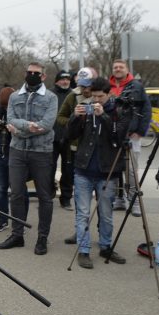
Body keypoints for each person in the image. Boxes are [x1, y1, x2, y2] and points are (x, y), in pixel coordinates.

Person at [67, 77, 130, 269]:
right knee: (83, 213)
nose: (96, 100)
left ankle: (106, 246)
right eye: (93, 96)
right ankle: (84, 250)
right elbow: (70, 135)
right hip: (83, 169)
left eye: (100, 96)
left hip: (107, 172)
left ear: (109, 94)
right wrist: (75, 117)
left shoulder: (119, 111)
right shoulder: (86, 108)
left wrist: (103, 116)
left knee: (106, 213)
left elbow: (119, 138)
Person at [0, 62, 58, 255]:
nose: (32, 75)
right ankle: (17, 234)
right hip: (17, 152)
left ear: (43, 76)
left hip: (42, 152)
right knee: (15, 193)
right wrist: (27, 127)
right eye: (29, 72)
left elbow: (46, 125)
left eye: (36, 73)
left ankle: (42, 238)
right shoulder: (15, 96)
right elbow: (11, 119)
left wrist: (20, 131)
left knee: (44, 196)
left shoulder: (51, 97)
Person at [57, 67, 98, 245]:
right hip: (76, 150)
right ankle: (79, 231)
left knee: (102, 199)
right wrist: (74, 118)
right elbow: (60, 118)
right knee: (81, 196)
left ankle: (103, 235)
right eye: (82, 85)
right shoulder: (72, 96)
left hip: (97, 151)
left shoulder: (101, 95)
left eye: (88, 86)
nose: (85, 89)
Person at [108, 59, 152, 214]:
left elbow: (146, 110)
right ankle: (118, 199)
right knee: (114, 169)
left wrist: (140, 131)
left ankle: (134, 202)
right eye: (115, 67)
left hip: (131, 135)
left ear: (126, 69)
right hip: (112, 135)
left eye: (121, 67)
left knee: (131, 170)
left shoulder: (137, 86)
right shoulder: (108, 87)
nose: (118, 69)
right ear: (112, 70)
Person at [0, 86, 23, 232]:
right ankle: (3, 219)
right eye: (4, 105)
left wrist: (12, 127)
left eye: (8, 105)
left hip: (16, 156)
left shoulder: (20, 109)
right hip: (0, 154)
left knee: (18, 191)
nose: (6, 107)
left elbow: (25, 130)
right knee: (0, 189)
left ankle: (19, 221)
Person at [51, 70, 74, 209]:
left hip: (68, 139)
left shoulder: (74, 95)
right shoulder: (50, 94)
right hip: (51, 138)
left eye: (67, 79)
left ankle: (66, 198)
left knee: (68, 170)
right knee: (48, 169)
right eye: (62, 79)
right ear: (56, 81)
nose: (65, 82)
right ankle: (48, 195)